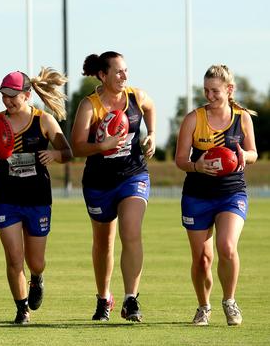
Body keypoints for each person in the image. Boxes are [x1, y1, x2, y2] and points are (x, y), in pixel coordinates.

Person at [0, 69, 72, 324]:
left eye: (12, 96)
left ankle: (37, 278)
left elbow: (68, 152)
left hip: (37, 196)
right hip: (6, 195)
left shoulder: (44, 121)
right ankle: (21, 309)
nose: (7, 101)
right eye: (4, 96)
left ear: (27, 95)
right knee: (14, 257)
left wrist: (55, 156)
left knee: (35, 261)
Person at [70, 51, 156, 322]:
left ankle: (131, 299)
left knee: (131, 232)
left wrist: (151, 134)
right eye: (118, 72)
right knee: (103, 242)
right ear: (103, 75)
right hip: (99, 182)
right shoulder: (89, 105)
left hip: (133, 175)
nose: (124, 76)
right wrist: (101, 146)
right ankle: (103, 298)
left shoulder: (136, 97)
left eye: (126, 70)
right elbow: (76, 146)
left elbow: (151, 107)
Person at [175, 65, 256, 326]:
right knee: (202, 258)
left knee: (227, 247)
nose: (209, 96)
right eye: (206, 90)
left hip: (231, 192)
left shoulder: (242, 118)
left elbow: (253, 152)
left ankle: (229, 301)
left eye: (215, 91)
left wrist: (245, 155)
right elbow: (180, 160)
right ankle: (203, 306)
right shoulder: (193, 119)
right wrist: (197, 166)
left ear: (229, 90)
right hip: (197, 194)